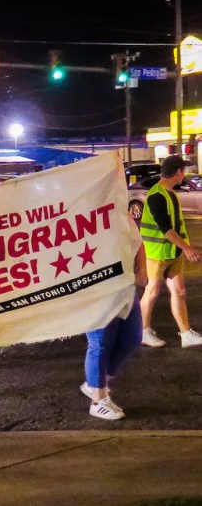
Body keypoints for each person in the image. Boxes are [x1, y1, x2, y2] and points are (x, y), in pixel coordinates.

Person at [81, 214, 147, 420]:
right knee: (100, 342)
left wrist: (142, 268)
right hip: (97, 289)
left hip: (124, 286)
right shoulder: (80, 212)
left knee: (132, 338)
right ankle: (97, 399)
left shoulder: (118, 210)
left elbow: (138, 243)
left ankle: (95, 382)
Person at [139, 154, 202, 348]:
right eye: (184, 171)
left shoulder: (169, 193)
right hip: (157, 253)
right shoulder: (157, 195)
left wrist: (182, 249)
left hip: (173, 253)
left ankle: (185, 334)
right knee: (152, 290)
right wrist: (188, 248)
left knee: (180, 291)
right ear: (179, 172)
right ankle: (143, 331)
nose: (184, 175)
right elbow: (166, 229)